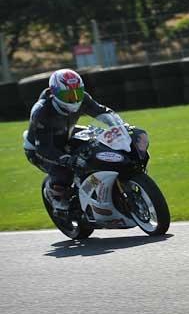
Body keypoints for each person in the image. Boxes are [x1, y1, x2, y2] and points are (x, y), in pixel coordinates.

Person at [23, 68, 125, 212]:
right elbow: (44, 148)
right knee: (65, 170)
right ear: (54, 92)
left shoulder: (83, 98)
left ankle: (99, 185)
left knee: (98, 143)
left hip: (67, 134)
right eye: (67, 94)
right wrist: (67, 159)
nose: (74, 98)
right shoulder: (42, 112)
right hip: (39, 149)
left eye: (77, 92)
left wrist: (119, 125)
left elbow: (101, 111)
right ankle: (56, 196)